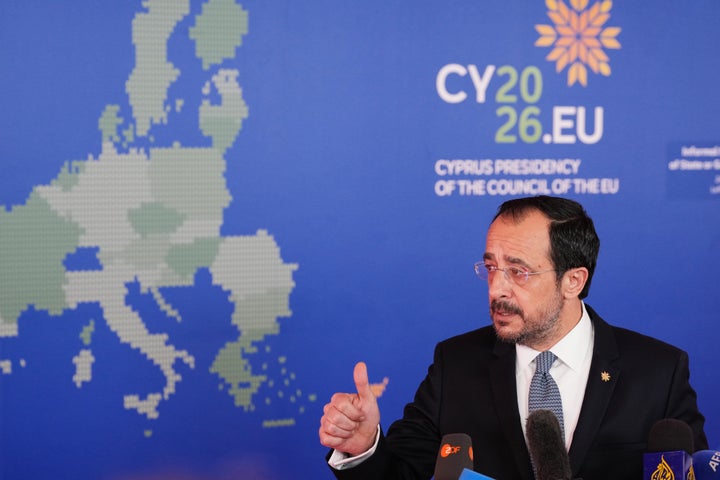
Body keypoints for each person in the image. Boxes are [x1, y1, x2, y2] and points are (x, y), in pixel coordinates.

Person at [318, 195, 707, 479]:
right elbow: (401, 474)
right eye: (491, 267)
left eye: (518, 272)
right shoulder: (456, 363)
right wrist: (364, 447)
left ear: (573, 281)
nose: (496, 289)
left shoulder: (659, 371)